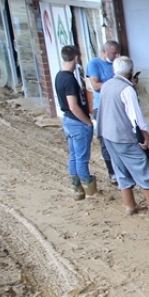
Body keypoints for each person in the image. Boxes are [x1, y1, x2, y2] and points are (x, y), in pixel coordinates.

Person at [96, 56, 149, 215]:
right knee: (141, 165)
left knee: (120, 168)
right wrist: (144, 135)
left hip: (107, 134)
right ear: (131, 71)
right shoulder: (127, 90)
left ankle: (130, 206)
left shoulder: (106, 85)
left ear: (113, 70)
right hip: (123, 136)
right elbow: (135, 117)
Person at [53, 45, 98, 201]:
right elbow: (73, 105)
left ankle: (77, 189)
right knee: (82, 158)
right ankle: (91, 191)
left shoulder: (59, 76)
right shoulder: (70, 79)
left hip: (68, 120)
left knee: (73, 156)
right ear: (77, 58)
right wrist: (88, 123)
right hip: (77, 121)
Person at [85, 40, 121, 182]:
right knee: (105, 140)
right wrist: (117, 83)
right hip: (101, 106)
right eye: (114, 53)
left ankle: (121, 170)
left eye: (118, 52)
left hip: (117, 105)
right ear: (105, 51)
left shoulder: (117, 63)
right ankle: (112, 172)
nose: (117, 55)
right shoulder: (93, 64)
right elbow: (96, 86)